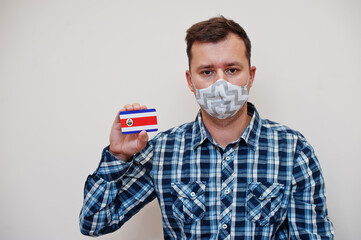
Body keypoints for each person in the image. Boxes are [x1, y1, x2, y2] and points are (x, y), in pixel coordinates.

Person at [79, 16, 334, 239]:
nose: (221, 84)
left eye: (232, 69)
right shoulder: (162, 151)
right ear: (191, 80)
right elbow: (94, 223)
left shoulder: (292, 149)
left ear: (251, 76)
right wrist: (118, 157)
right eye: (207, 72)